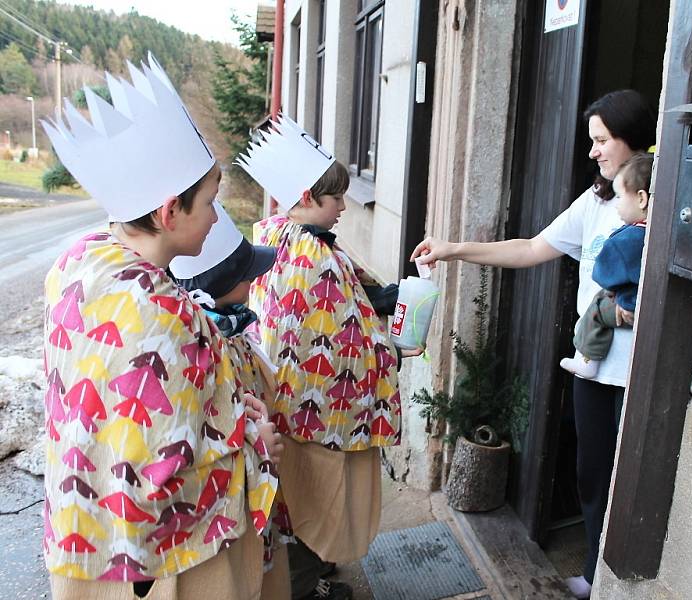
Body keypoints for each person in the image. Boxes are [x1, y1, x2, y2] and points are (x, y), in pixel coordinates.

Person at [41, 54, 282, 600]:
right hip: (155, 559)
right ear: (171, 211)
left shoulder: (79, 262)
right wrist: (257, 443)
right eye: (212, 203)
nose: (219, 220)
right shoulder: (167, 312)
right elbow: (162, 470)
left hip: (82, 530)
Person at [410, 90, 656, 599]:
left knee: (631, 485)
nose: (593, 152)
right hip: (593, 368)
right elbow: (529, 247)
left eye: (602, 140)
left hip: (640, 373)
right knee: (591, 473)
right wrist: (453, 248)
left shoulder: (666, 202)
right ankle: (594, 572)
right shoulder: (597, 202)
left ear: (633, 140)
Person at [237, 115, 421, 600]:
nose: (344, 205)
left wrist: (381, 301)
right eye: (335, 196)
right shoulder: (310, 259)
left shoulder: (280, 235)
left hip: (288, 410)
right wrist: (392, 348)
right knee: (312, 508)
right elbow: (339, 343)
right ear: (305, 198)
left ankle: (305, 580)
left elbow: (344, 305)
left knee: (295, 507)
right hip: (315, 418)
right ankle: (301, 589)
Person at [171, 201, 293, 600]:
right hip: (236, 485)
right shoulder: (210, 337)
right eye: (247, 275)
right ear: (223, 286)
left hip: (258, 469)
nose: (256, 280)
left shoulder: (234, 321)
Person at [560, 153, 653, 379]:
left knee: (596, 309)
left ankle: (588, 360)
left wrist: (616, 295)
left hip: (628, 308)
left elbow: (602, 273)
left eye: (620, 197)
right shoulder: (655, 233)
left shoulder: (629, 238)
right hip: (645, 304)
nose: (617, 205)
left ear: (641, 198)